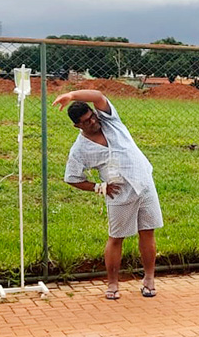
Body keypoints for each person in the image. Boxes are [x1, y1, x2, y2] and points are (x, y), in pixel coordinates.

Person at [55, 90, 162, 300]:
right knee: (116, 238)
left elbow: (98, 95)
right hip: (119, 193)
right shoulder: (80, 149)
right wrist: (98, 187)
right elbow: (72, 178)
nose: (93, 121)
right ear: (77, 126)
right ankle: (113, 284)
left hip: (144, 183)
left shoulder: (109, 120)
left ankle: (149, 279)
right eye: (87, 121)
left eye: (92, 115)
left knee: (147, 231)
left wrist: (72, 95)